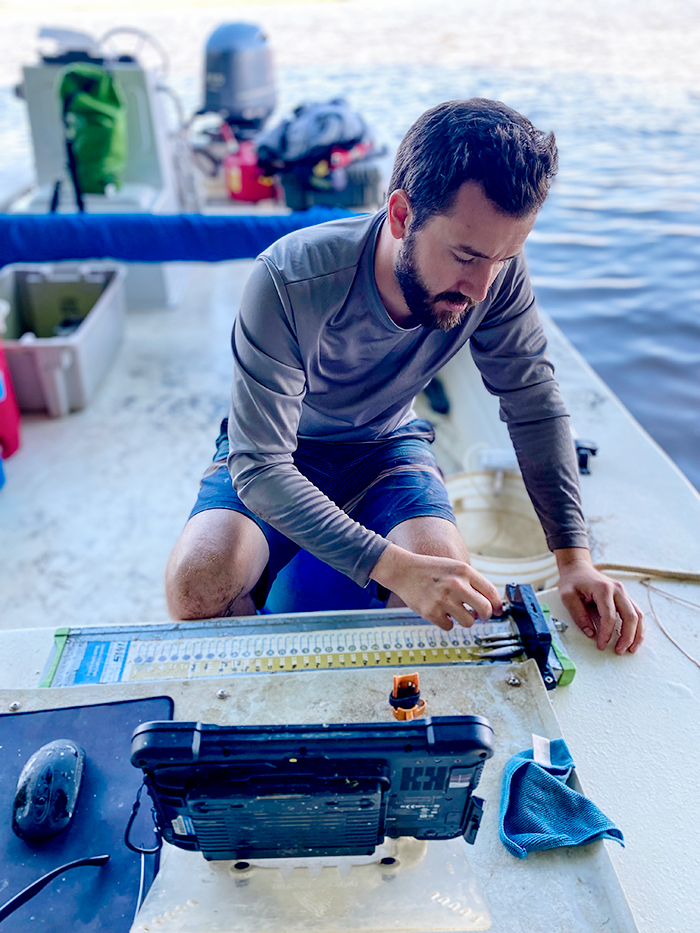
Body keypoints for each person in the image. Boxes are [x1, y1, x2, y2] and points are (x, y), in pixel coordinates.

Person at [166, 98, 644, 654]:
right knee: (195, 588)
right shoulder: (287, 278)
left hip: (387, 444)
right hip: (284, 448)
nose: (482, 288)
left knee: (449, 600)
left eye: (505, 257)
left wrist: (573, 559)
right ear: (400, 214)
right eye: (466, 256)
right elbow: (261, 466)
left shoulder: (494, 274)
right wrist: (394, 567)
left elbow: (533, 401)